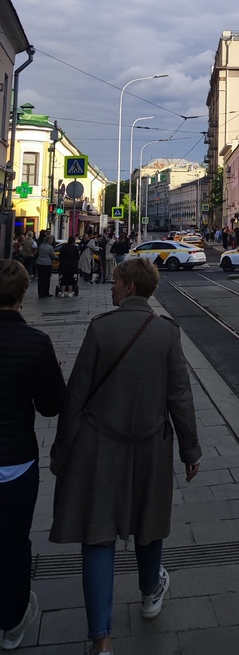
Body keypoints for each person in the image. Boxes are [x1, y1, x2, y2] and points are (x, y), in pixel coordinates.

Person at [49, 257, 201, 655]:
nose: (111, 287)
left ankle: (102, 640)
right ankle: (151, 593)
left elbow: (76, 396)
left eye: (115, 281)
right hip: (151, 446)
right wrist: (190, 449)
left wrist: (61, 449)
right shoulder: (167, 334)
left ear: (130, 287)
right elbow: (179, 398)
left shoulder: (101, 329)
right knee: (149, 524)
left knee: (98, 537)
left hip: (99, 446)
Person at [0, 259, 66, 650]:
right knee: (15, 542)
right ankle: (12, 621)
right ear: (24, 294)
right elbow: (51, 406)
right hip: (16, 464)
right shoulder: (36, 343)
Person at [35, 234, 56, 299]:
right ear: (49, 240)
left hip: (40, 263)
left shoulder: (41, 246)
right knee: (46, 279)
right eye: (52, 239)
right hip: (47, 264)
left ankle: (40, 293)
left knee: (41, 279)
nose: (52, 241)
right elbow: (53, 256)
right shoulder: (50, 247)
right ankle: (46, 292)